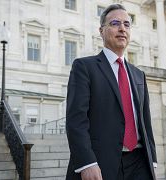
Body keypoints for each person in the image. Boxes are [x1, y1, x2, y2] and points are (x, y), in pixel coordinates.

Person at [66, 3, 157, 180]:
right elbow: (76, 120)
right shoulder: (84, 67)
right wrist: (87, 163)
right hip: (100, 163)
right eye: (115, 23)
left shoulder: (139, 75)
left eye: (127, 24)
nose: (122, 29)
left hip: (139, 163)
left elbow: (146, 124)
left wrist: (152, 161)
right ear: (101, 31)